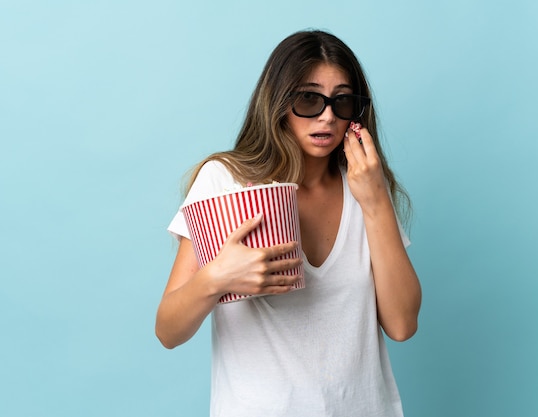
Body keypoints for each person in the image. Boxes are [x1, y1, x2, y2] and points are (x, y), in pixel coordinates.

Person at [156, 29, 422, 417]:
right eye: (309, 98)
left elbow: (401, 324)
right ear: (279, 102)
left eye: (343, 101)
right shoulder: (225, 181)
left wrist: (377, 200)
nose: (328, 115)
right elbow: (168, 330)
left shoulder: (364, 186)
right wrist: (217, 278)